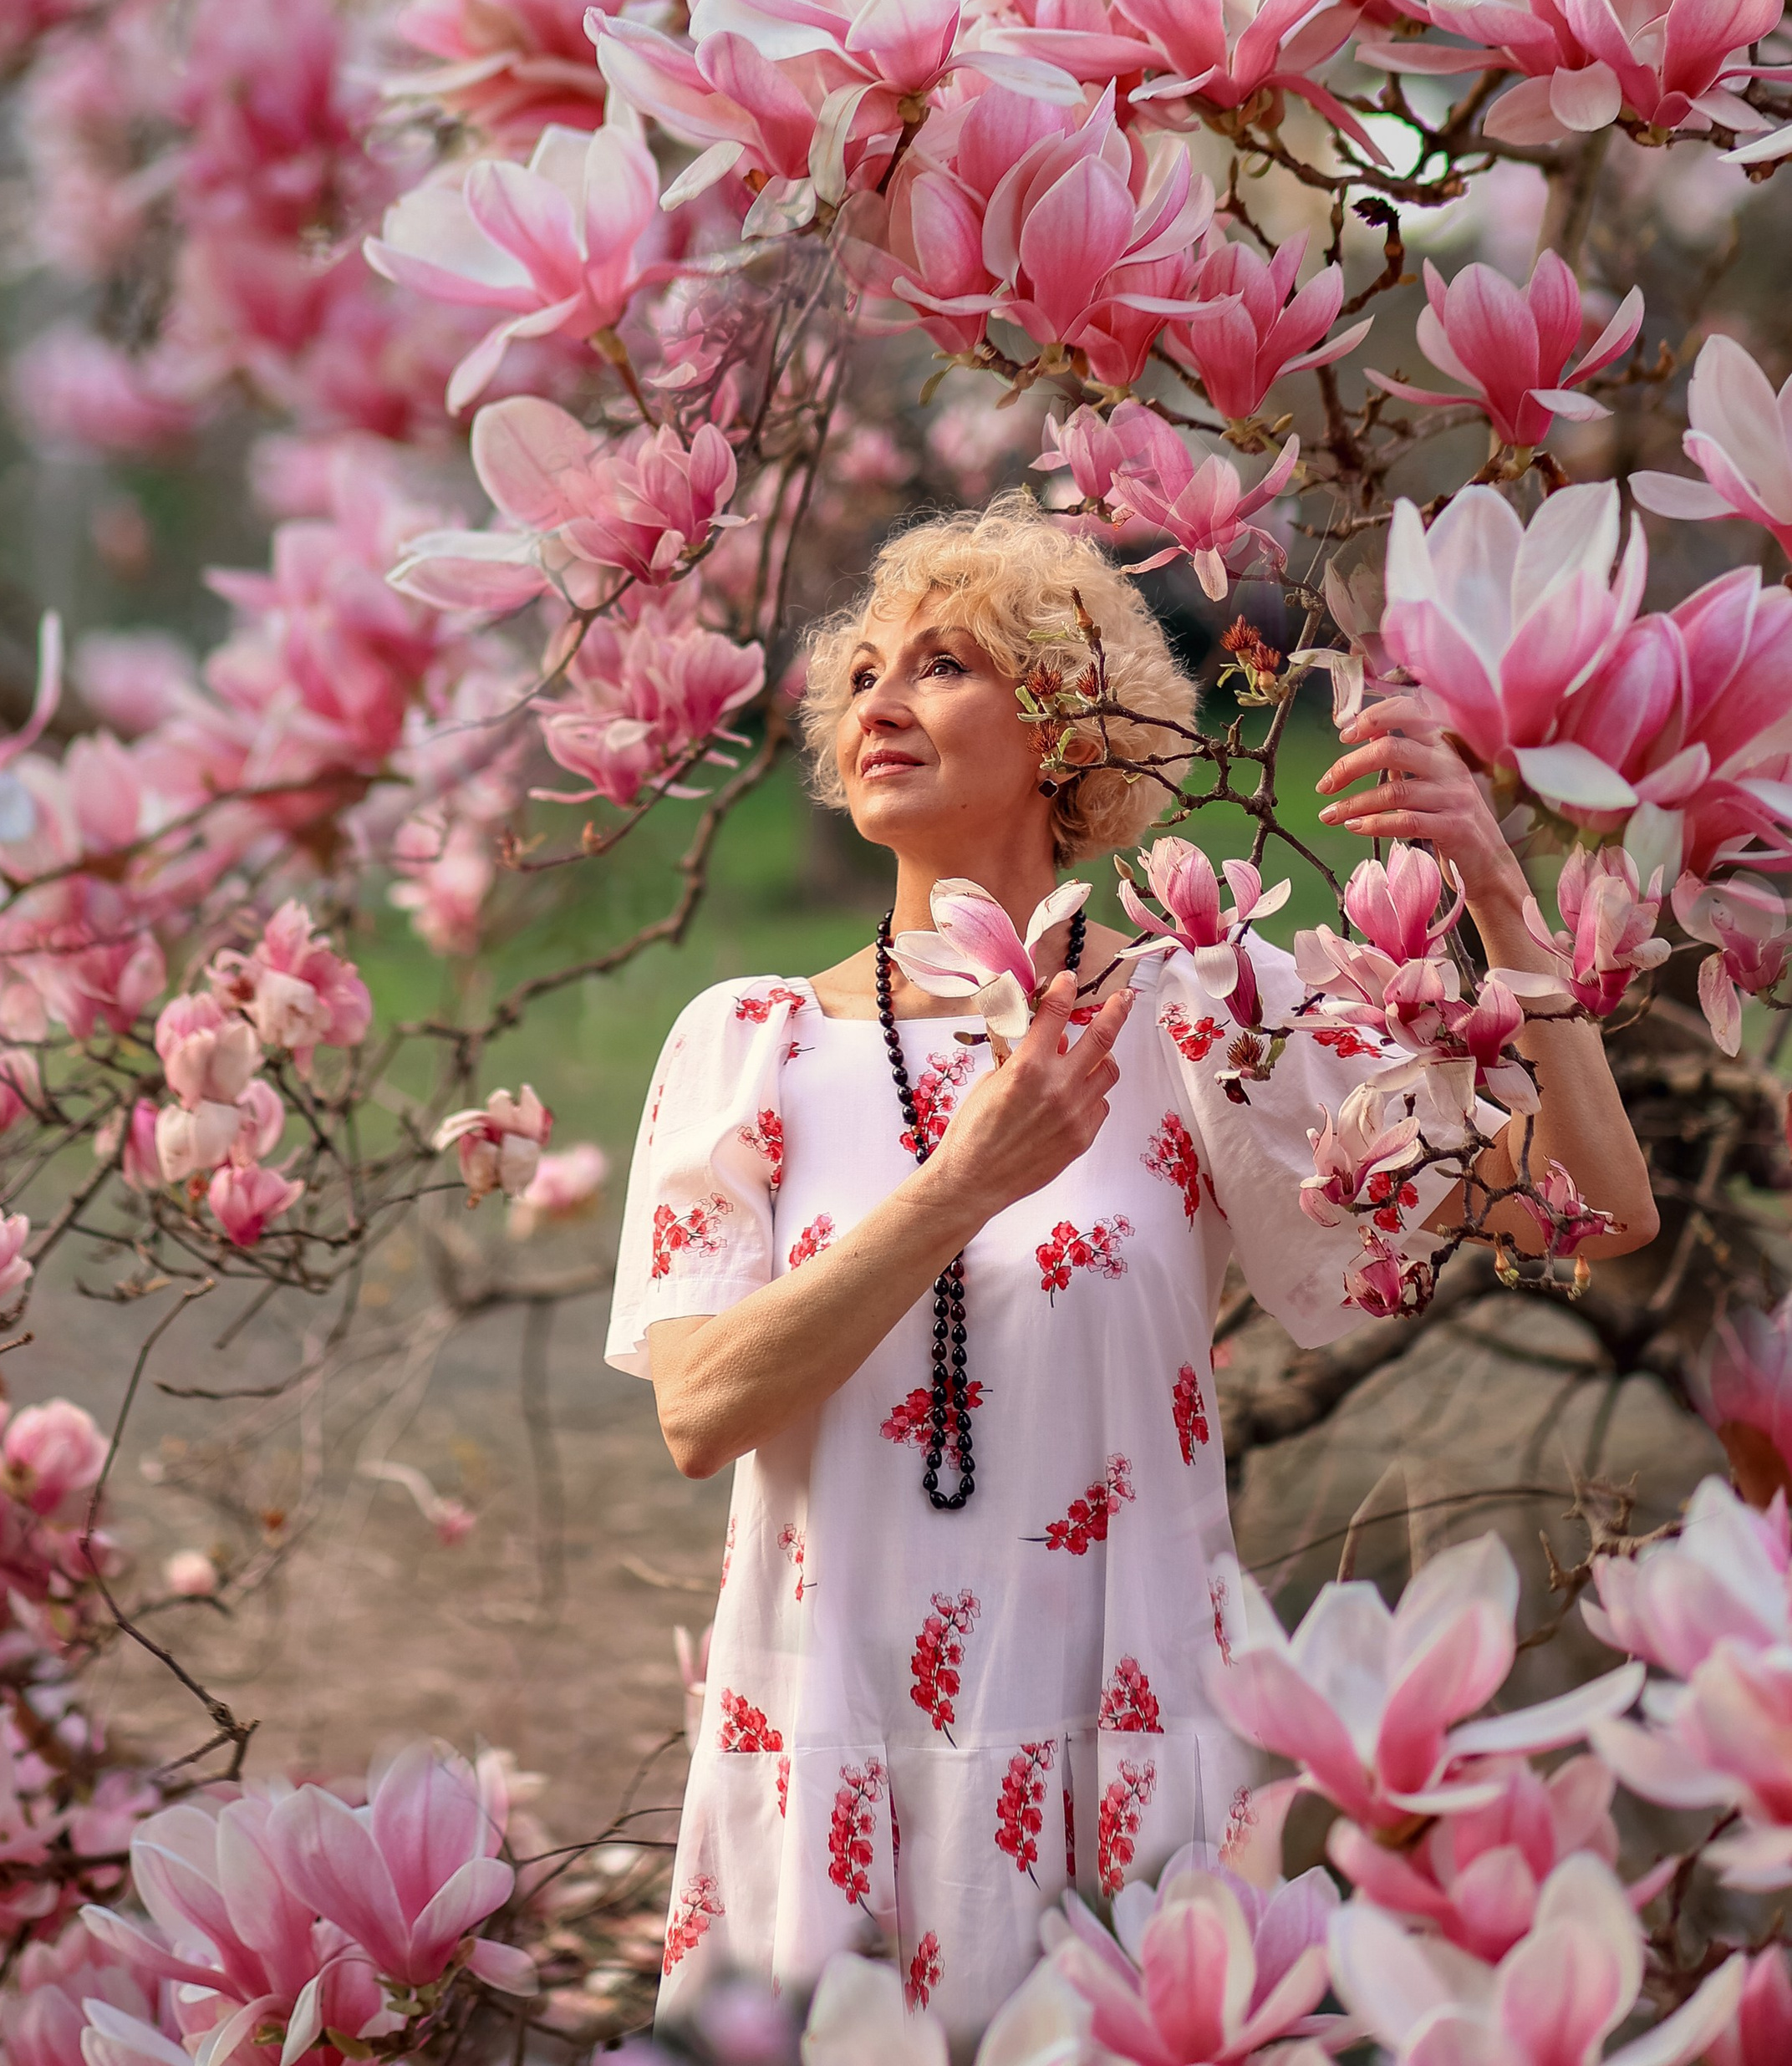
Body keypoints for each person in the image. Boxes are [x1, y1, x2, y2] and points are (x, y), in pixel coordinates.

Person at [606, 491, 1657, 2049]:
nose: (881, 701)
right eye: (866, 675)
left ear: (1067, 732)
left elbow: (1591, 1204)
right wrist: (967, 1180)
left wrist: (1501, 900)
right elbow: (701, 1409)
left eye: (944, 665)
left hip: (1126, 1758)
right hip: (831, 1765)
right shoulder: (751, 1043)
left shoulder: (1202, 1014)